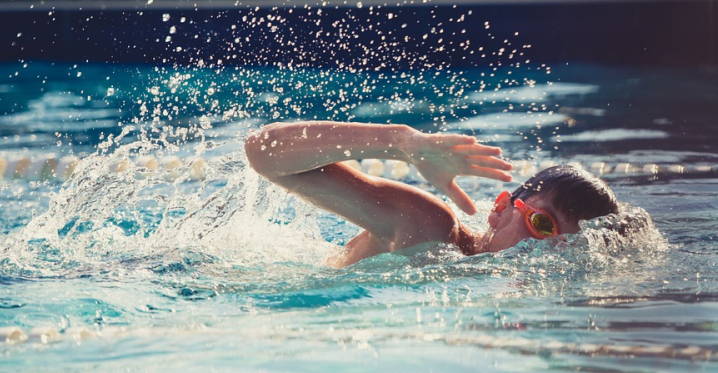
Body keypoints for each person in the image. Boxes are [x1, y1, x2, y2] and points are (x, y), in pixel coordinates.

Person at [245, 121, 619, 267]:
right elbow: (263, 153)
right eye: (541, 224)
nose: (542, 253)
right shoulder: (429, 227)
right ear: (501, 208)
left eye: (565, 247)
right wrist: (400, 143)